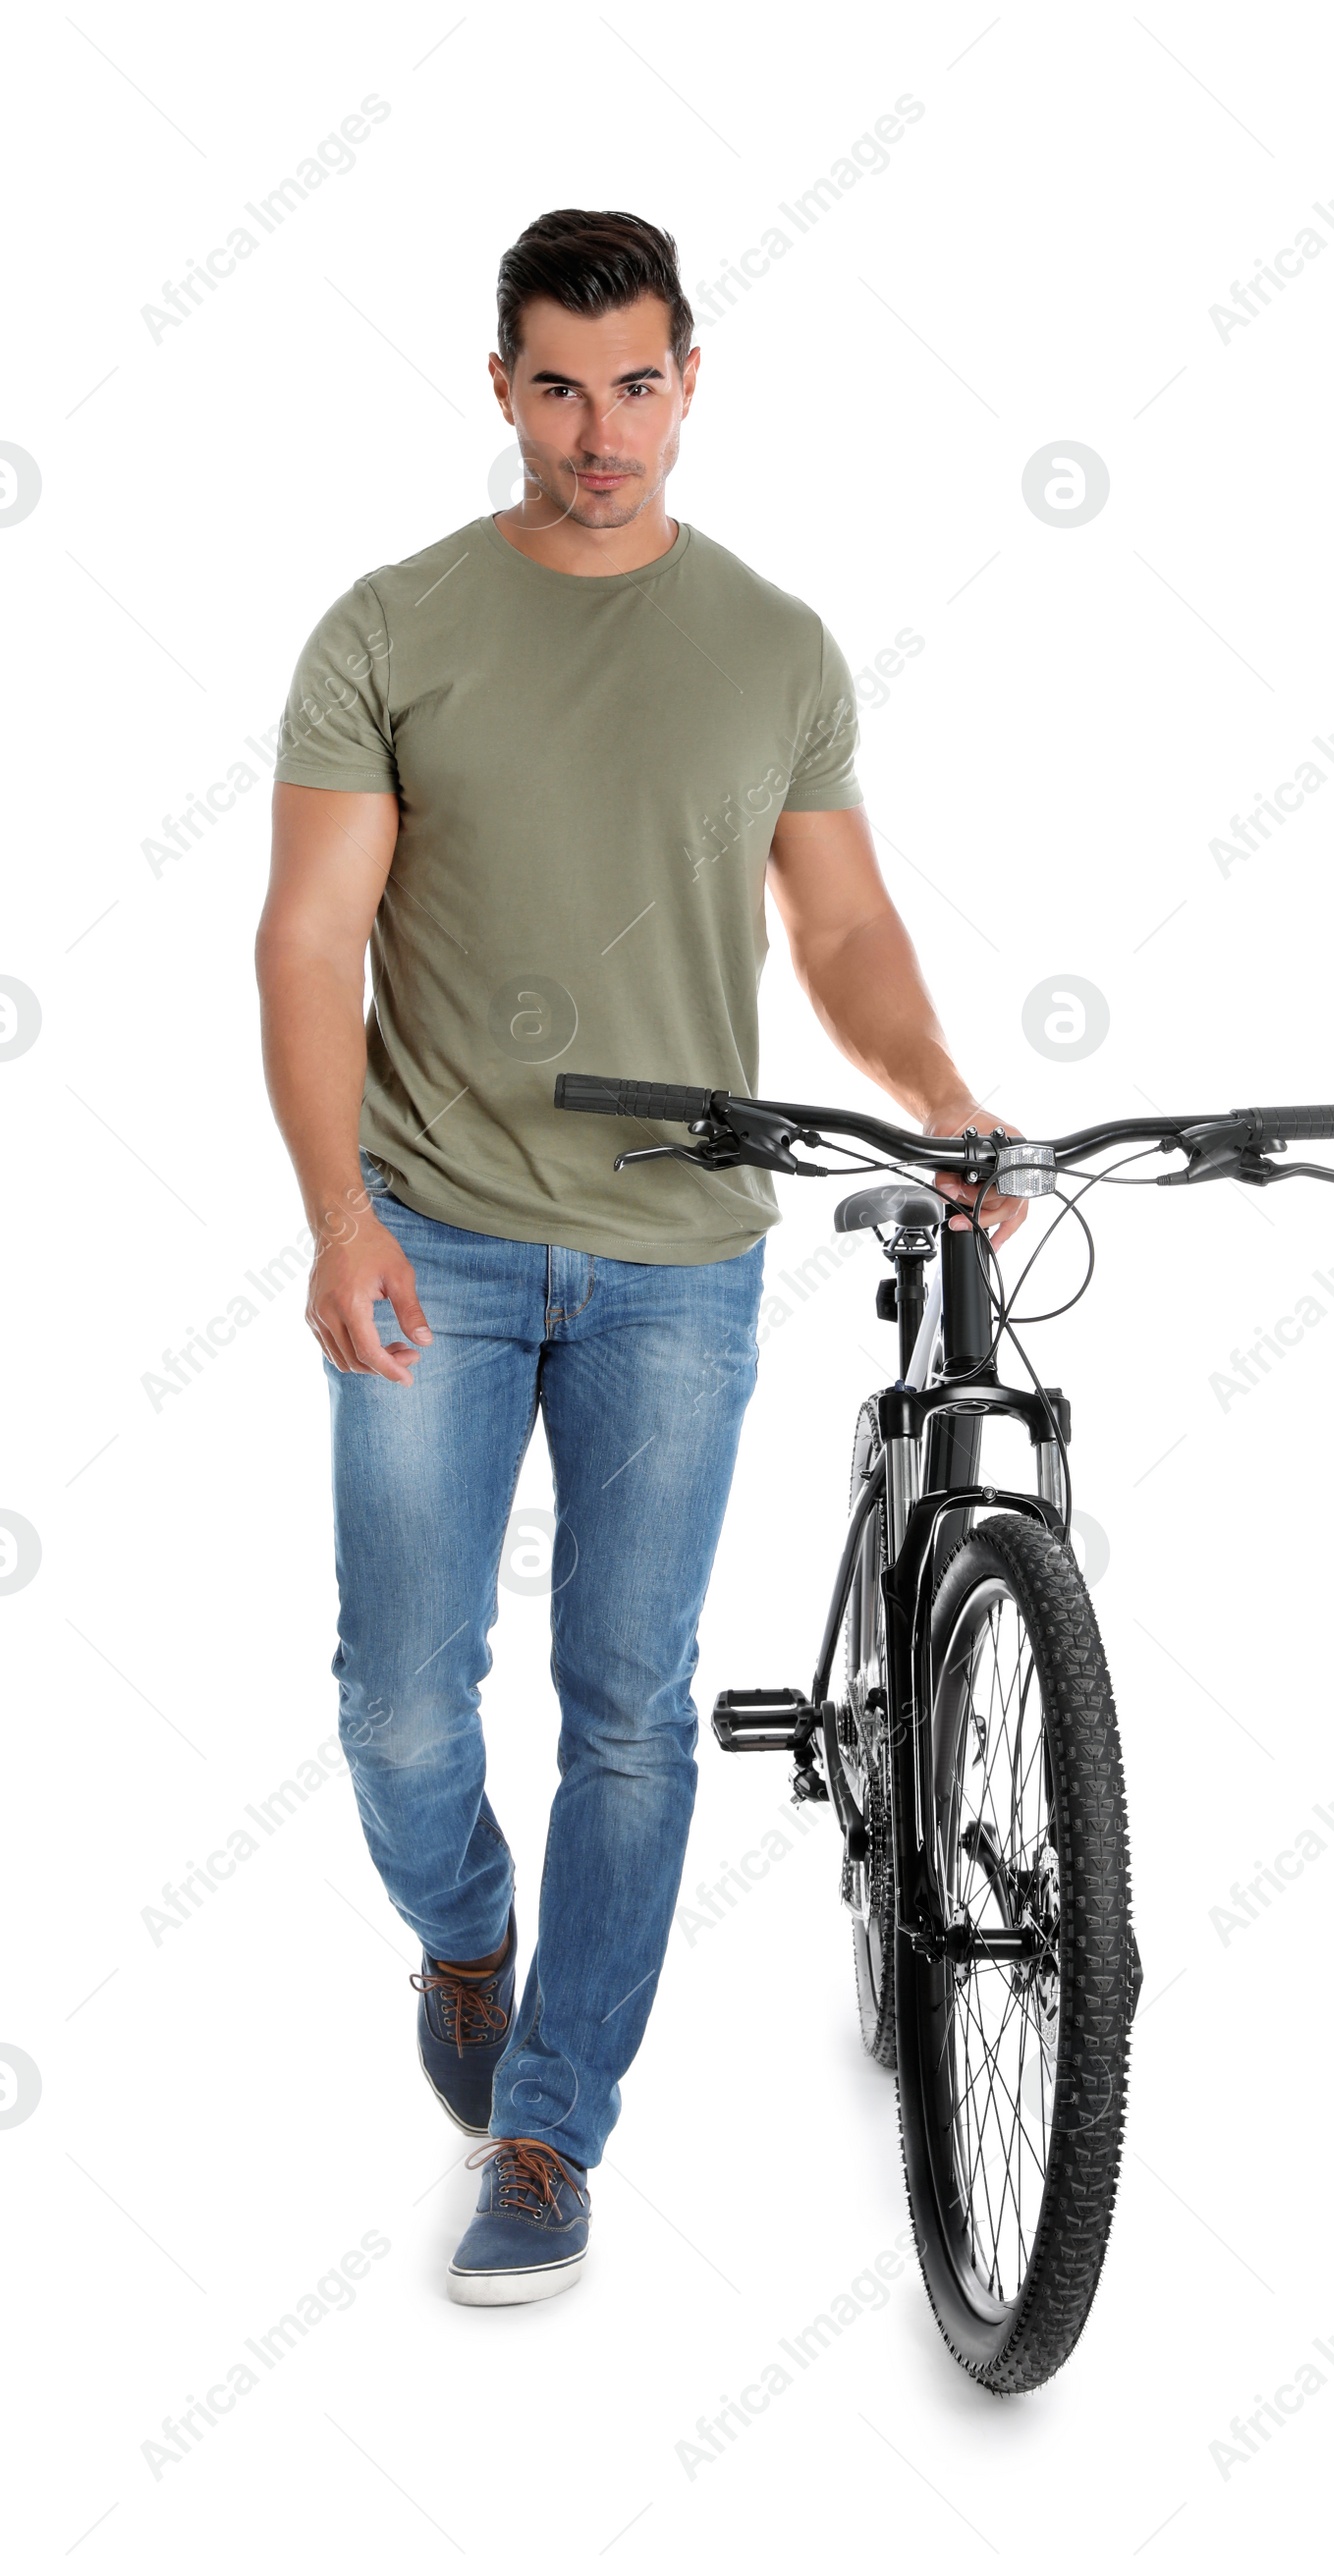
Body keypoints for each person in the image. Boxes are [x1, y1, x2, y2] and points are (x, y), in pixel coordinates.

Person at [256, 207, 1022, 2308]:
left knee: (630, 1708)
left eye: (637, 384)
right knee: (401, 1706)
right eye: (558, 386)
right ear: (499, 385)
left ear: (692, 382)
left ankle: (549, 2128)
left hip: (678, 1260)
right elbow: (311, 937)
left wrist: (937, 1081)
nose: (600, 432)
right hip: (429, 1231)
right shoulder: (389, 628)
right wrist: (333, 1210)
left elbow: (842, 932)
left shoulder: (770, 645)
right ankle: (464, 1934)